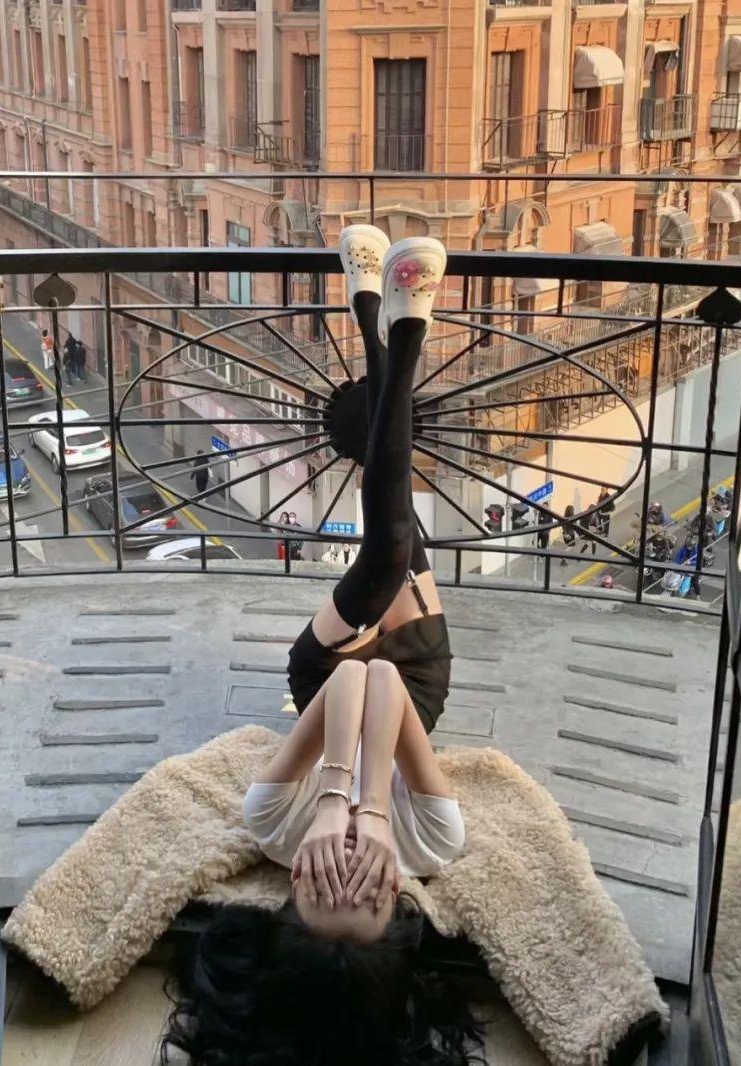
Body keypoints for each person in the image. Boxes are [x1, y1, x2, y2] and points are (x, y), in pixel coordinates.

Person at [162, 228, 481, 1066]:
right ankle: (375, 307)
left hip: (323, 679)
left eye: (321, 886)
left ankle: (404, 322)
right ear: (398, 898)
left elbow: (348, 684)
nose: (346, 864)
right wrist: (378, 809)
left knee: (385, 549)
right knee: (392, 510)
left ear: (288, 891)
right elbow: (389, 687)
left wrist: (343, 801)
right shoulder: (433, 845)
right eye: (365, 891)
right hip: (417, 684)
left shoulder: (270, 826)